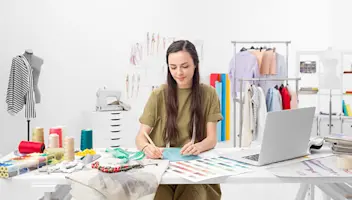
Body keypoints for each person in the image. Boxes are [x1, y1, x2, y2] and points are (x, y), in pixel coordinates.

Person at [135, 40, 223, 200]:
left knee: (193, 195)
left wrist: (199, 146)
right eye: (173, 67)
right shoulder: (158, 95)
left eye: (185, 66)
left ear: (195, 64)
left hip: (194, 168)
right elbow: (141, 136)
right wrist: (146, 147)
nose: (179, 73)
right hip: (162, 168)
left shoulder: (209, 94)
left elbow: (211, 139)